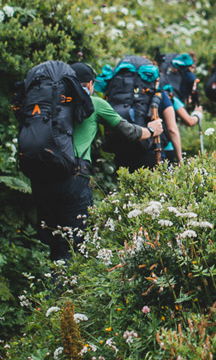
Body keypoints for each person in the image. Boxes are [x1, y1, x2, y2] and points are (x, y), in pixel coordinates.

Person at [35, 62, 160, 261]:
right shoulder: (95, 103)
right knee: (76, 242)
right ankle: (65, 288)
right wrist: (152, 130)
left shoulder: (50, 102)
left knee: (54, 238)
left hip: (42, 175)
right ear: (91, 84)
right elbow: (129, 132)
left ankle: (52, 279)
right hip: (74, 175)